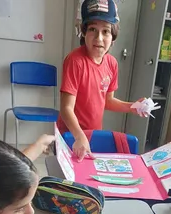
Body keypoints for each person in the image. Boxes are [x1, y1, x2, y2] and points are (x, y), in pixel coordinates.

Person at [58, 0, 146, 161]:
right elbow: (66, 108)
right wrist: (78, 136)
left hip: (93, 134)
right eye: (92, 29)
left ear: (113, 36)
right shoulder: (75, 61)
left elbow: (108, 101)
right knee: (69, 182)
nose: (99, 38)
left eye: (105, 31)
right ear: (84, 32)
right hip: (70, 135)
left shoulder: (112, 64)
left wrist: (133, 107)